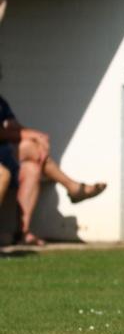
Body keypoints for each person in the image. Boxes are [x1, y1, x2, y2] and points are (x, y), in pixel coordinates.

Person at [0, 96, 106, 246]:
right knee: (31, 149)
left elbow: (14, 127)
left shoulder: (2, 103)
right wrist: (34, 136)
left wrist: (33, 136)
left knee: (32, 169)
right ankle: (72, 187)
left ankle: (23, 233)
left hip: (7, 157)